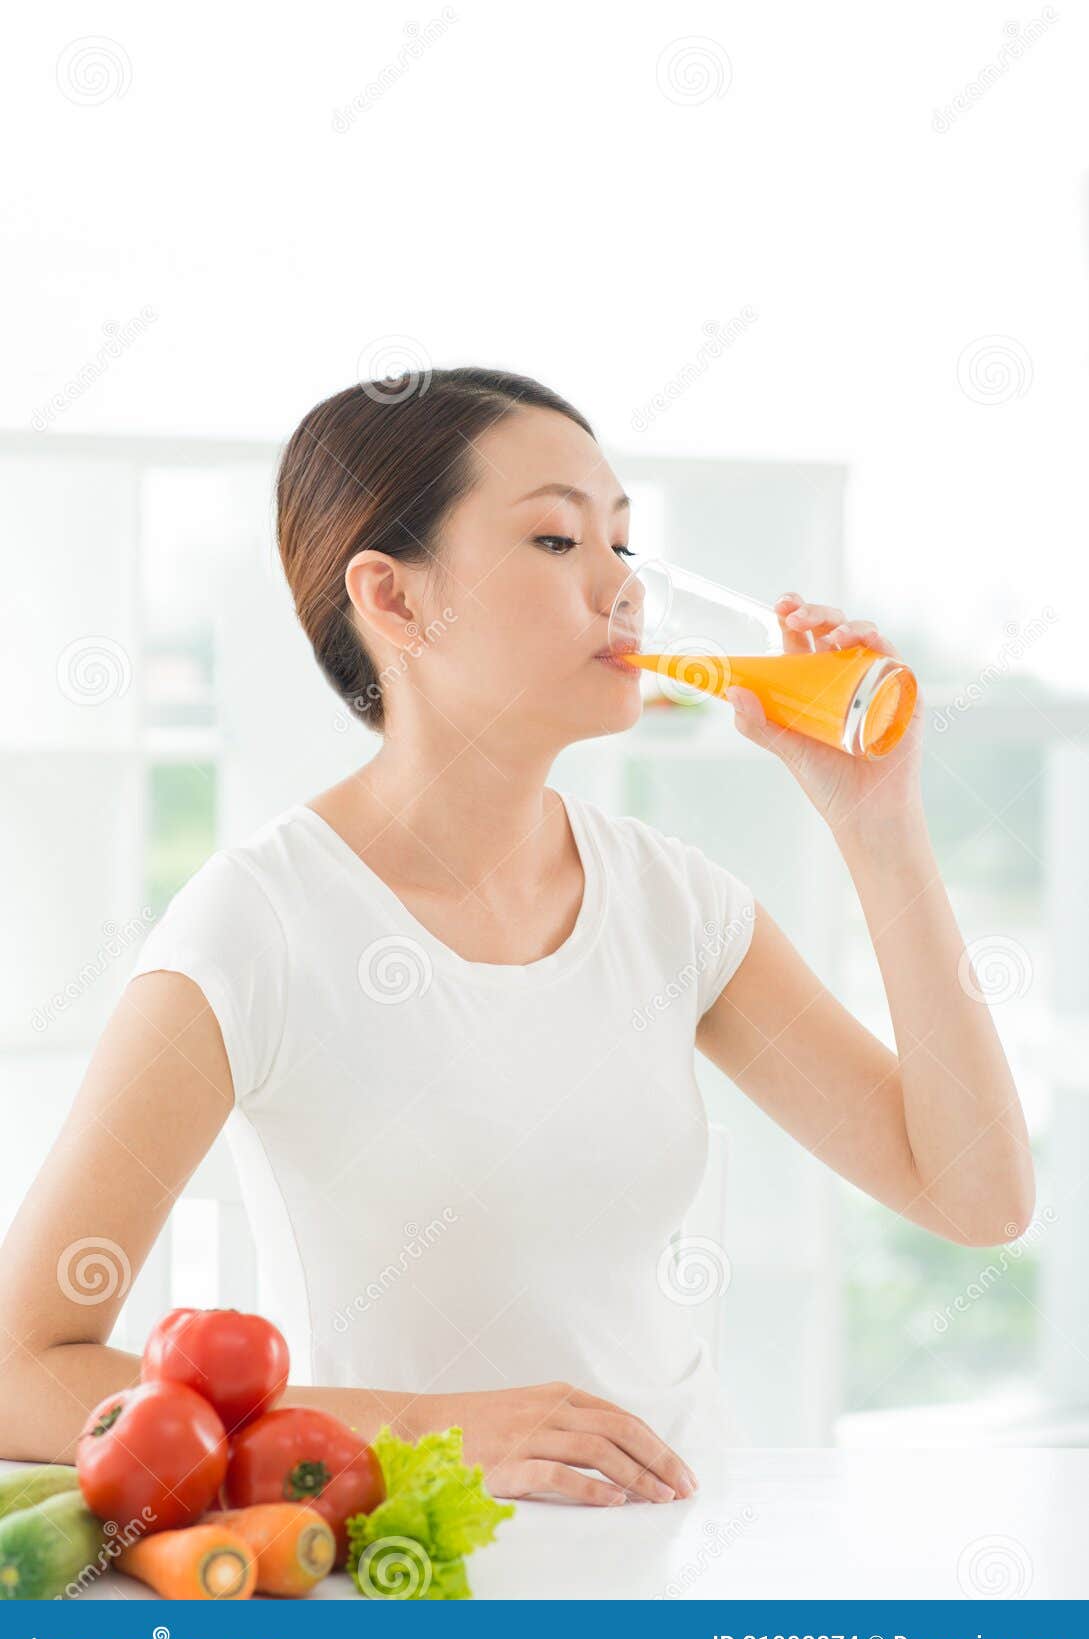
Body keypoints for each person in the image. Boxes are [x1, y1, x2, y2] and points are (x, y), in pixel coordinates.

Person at [0, 368, 1034, 1507]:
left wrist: (879, 827)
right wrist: (428, 1431)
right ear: (393, 601)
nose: (623, 588)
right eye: (555, 540)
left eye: (625, 546)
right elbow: (22, 1368)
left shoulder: (673, 903)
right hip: (412, 1580)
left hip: (684, 1561)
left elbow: (977, 1195)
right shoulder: (258, 924)